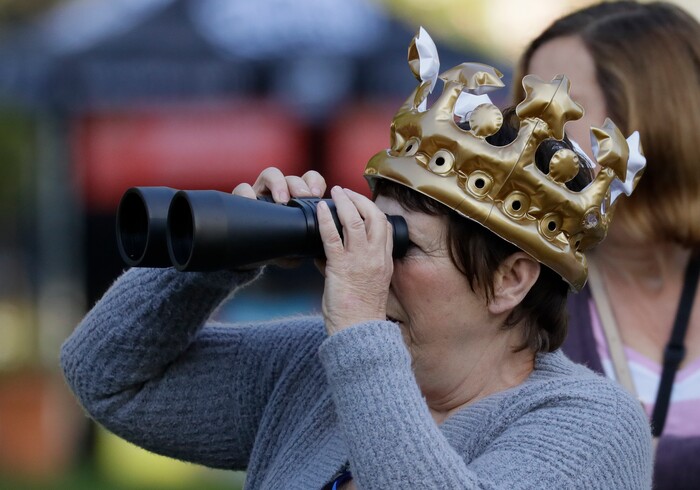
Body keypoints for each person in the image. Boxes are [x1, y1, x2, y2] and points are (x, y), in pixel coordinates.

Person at [61, 30, 653, 489]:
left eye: (398, 242)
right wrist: (213, 263)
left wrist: (361, 331)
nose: (367, 259)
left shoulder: (592, 426)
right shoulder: (315, 370)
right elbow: (109, 378)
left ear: (509, 279)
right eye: (369, 225)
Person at [514, 2, 700, 488]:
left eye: (563, 105)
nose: (528, 131)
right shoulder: (520, 287)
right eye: (529, 102)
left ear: (659, 117)